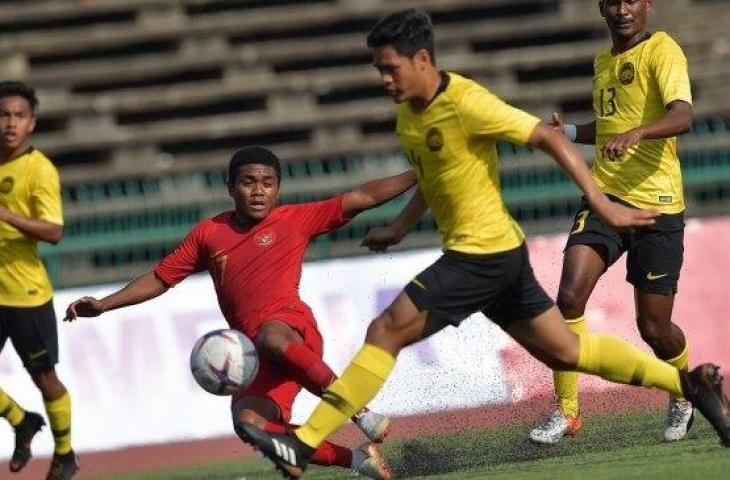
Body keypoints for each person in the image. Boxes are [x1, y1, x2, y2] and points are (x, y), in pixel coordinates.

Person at [234, 9, 730, 479]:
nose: (384, 80)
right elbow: (434, 179)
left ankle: (304, 442)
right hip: (499, 258)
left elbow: (548, 138)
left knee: (385, 330)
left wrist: (603, 205)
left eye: (390, 69)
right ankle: (690, 383)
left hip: (481, 254)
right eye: (378, 70)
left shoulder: (465, 101)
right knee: (566, 351)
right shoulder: (409, 115)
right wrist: (401, 227)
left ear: (421, 60)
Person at [65, 146, 416, 480]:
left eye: (268, 183)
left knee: (270, 335)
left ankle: (361, 414)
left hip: (291, 328)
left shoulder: (294, 219)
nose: (259, 191)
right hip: (254, 352)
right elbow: (160, 278)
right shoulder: (209, 233)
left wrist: (419, 172)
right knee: (250, 426)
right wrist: (104, 304)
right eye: (248, 182)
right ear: (231, 187)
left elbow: (363, 198)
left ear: (278, 188)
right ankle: (358, 460)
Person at [529, 0, 697, 445]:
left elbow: (683, 115)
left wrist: (638, 133)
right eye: (612, 1)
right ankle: (566, 411)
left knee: (655, 329)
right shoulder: (603, 60)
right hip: (604, 199)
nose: (622, 9)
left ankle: (685, 392)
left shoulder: (663, 50)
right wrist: (565, 134)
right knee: (568, 296)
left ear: (648, 5)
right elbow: (607, 127)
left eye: (631, 0)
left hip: (657, 207)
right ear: (601, 8)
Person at [0, 81, 79, 480]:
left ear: (31, 123)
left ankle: (65, 454)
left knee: (45, 379)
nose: (9, 123)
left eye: (18, 116)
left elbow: (53, 231)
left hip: (26, 295)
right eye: (3, 115)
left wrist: (7, 215)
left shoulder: (39, 169)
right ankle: (21, 420)